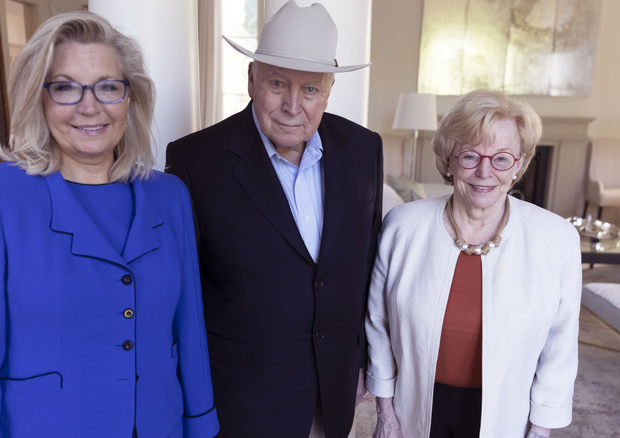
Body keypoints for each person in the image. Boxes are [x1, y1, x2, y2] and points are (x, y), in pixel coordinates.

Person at [0, 12, 219, 437]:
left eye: (108, 86)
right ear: (38, 97)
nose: (90, 106)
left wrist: (200, 425)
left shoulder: (169, 194)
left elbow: (189, 327)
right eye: (66, 87)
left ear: (129, 98)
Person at [166, 1, 382, 437]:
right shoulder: (194, 160)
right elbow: (181, 295)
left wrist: (361, 360)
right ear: (251, 79)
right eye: (278, 83)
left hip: (334, 395)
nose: (291, 105)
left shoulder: (363, 149)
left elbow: (364, 267)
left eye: (310, 90)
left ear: (329, 90)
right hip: (242, 401)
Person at [365, 89, 582, 438]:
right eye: (469, 156)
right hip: (414, 408)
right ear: (449, 161)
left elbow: (560, 349)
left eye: (501, 158)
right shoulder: (403, 226)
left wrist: (540, 431)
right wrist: (386, 412)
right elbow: (378, 324)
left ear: (519, 164)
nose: (485, 171)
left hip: (507, 414)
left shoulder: (556, 239)